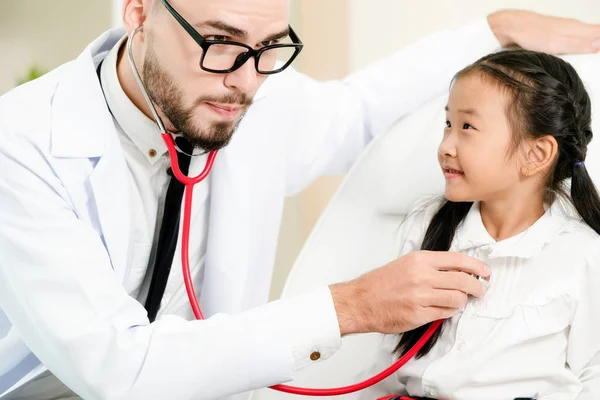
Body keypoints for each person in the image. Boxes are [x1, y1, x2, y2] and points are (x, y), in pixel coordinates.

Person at [0, 0, 599, 398]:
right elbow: (115, 369)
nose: (246, 81)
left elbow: (359, 110)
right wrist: (353, 306)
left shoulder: (255, 98)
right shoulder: (23, 142)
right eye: (220, 41)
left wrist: (490, 32)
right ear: (138, 10)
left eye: (269, 49)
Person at [350, 49, 600, 400]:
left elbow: (593, 377)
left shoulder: (584, 255)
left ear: (537, 154)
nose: (445, 146)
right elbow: (388, 361)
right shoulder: (425, 228)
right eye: (448, 124)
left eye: (467, 127)